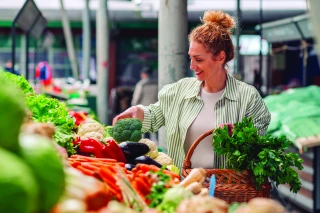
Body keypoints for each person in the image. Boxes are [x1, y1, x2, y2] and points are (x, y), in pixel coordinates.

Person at [113, 10, 271, 170]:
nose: (192, 66)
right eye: (191, 57)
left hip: (227, 190)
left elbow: (259, 141)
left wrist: (240, 135)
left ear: (220, 57)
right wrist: (138, 112)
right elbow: (155, 115)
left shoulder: (248, 97)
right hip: (183, 185)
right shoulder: (179, 90)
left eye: (199, 59)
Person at [131, 66, 158, 139]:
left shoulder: (141, 84)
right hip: (155, 109)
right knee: (156, 129)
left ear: (144, 74)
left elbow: (136, 98)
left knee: (146, 130)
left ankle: (148, 146)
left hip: (144, 110)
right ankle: (159, 144)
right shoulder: (157, 84)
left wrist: (133, 107)